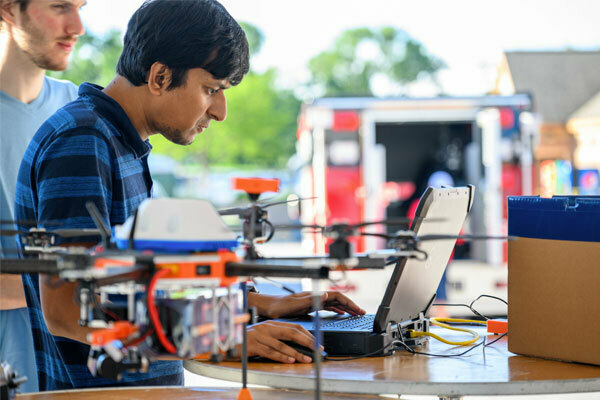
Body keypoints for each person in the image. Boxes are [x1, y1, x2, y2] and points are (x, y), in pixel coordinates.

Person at [14, 0, 365, 391]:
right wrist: (222, 340)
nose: (221, 111)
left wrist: (252, 304)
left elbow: (135, 287)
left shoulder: (119, 140)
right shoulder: (83, 142)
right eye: (211, 89)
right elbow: (66, 311)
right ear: (160, 77)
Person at [0, 0, 85, 393]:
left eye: (81, 7)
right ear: (7, 9)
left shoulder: (79, 112)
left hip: (68, 365)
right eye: (60, 6)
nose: (77, 26)